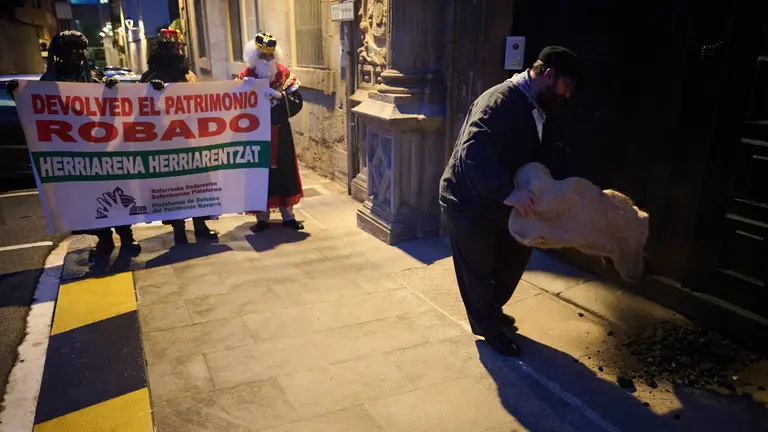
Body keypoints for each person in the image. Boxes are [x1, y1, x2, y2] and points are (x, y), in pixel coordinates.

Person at [439, 46, 581, 357]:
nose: (567, 94)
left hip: (501, 201)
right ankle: (489, 329)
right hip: (467, 201)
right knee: (477, 271)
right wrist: (508, 193)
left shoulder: (535, 104)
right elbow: (472, 156)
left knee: (513, 258)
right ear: (548, 74)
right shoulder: (500, 101)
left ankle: (491, 309)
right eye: (566, 85)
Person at [8, 31, 140, 257]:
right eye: (70, 49)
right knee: (88, 198)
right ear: (59, 53)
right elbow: (34, 105)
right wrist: (17, 92)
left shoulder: (94, 76)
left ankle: (126, 236)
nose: (76, 53)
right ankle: (104, 239)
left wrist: (113, 87)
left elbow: (114, 104)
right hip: (74, 152)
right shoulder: (50, 80)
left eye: (79, 49)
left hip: (101, 148)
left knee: (113, 192)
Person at [139, 29, 219, 246]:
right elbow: (140, 109)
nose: (178, 52)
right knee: (172, 188)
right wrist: (152, 92)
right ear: (163, 50)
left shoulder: (189, 76)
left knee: (198, 184)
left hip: (190, 142)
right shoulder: (149, 78)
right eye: (174, 48)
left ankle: (201, 226)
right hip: (166, 144)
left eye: (179, 48)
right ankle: (179, 229)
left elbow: (200, 104)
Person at [237, 32, 305, 232]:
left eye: (270, 56)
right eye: (262, 56)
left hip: (281, 133)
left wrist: (279, 96)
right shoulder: (245, 76)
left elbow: (297, 102)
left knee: (285, 173)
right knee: (259, 175)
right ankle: (262, 218)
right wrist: (243, 92)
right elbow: (234, 106)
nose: (267, 60)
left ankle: (288, 216)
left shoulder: (284, 74)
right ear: (254, 56)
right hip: (255, 135)